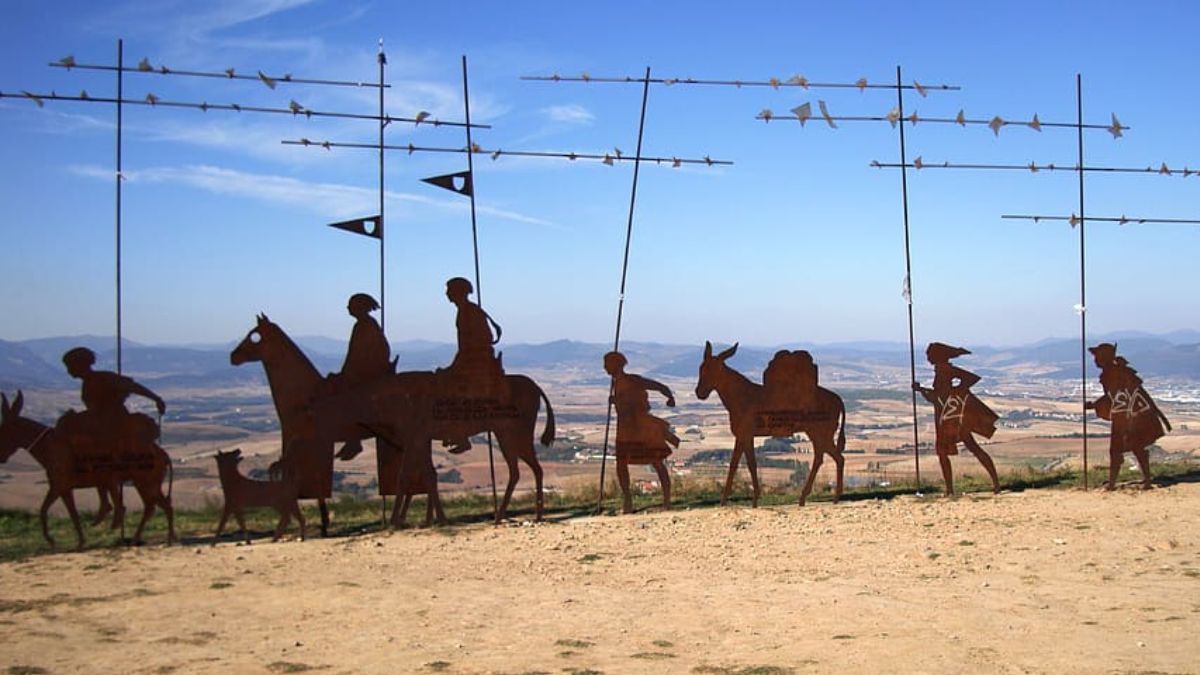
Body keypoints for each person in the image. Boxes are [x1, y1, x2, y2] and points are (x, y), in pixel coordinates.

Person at [912, 342, 1000, 496]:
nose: (927, 358)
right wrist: (922, 390)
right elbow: (938, 396)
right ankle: (994, 483)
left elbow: (945, 393)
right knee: (971, 448)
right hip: (948, 416)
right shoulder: (941, 370)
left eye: (929, 355)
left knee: (945, 452)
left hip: (949, 419)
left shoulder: (945, 370)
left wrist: (957, 391)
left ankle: (950, 489)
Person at [1084, 342, 1171, 490]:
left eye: (1097, 357)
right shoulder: (1117, 372)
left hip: (1126, 416)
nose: (1095, 360)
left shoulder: (1113, 374)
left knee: (1118, 449)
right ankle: (1145, 480)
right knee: (1136, 447)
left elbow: (1118, 398)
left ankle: (1113, 484)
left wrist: (1094, 405)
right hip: (1132, 415)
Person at [604, 351, 678, 513]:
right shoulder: (617, 383)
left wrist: (669, 397)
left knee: (656, 461)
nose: (604, 367)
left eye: (607, 364)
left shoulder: (632, 380)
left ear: (615, 365)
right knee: (622, 463)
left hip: (640, 427)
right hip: (625, 428)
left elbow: (658, 387)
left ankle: (666, 500)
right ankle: (628, 501)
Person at [440, 277, 505, 454]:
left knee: (451, 391)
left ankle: (460, 435)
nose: (446, 294)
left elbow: (475, 343)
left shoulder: (470, 311)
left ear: (458, 292)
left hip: (477, 361)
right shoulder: (466, 310)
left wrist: (453, 367)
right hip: (471, 359)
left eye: (449, 290)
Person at [328, 293, 392, 460]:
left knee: (345, 396)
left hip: (368, 373)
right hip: (365, 371)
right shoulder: (365, 324)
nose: (348, 308)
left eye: (351, 305)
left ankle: (353, 440)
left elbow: (357, 355)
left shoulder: (365, 326)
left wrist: (346, 375)